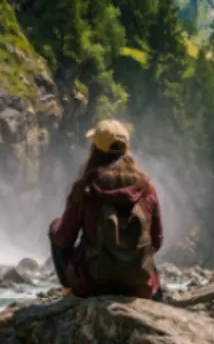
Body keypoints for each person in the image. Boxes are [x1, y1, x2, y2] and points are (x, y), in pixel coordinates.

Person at [48, 119, 164, 300]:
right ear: (126, 149)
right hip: (139, 287)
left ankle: (70, 291)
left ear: (95, 149)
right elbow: (156, 241)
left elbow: (64, 239)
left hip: (92, 285)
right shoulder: (146, 187)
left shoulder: (86, 188)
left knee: (55, 226)